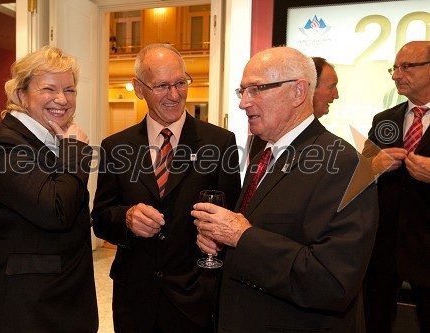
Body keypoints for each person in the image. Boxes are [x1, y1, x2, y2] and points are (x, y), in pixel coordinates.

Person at [191, 46, 379, 332]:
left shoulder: (343, 163)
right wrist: (223, 244)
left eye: (256, 89)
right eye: (241, 91)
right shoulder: (264, 155)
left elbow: (333, 281)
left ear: (298, 92)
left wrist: (242, 237)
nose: (243, 103)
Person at [91, 43, 241, 333]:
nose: (174, 95)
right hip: (135, 299)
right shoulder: (115, 146)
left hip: (195, 298)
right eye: (161, 85)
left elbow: (233, 216)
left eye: (180, 83)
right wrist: (126, 217)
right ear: (138, 88)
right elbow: (100, 219)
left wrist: (218, 241)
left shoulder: (220, 143)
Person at [0, 46, 98, 332]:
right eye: (49, 88)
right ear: (21, 95)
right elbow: (56, 211)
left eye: (70, 89)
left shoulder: (49, 139)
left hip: (62, 298)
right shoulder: (2, 144)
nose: (62, 99)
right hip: (29, 308)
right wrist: (75, 151)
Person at [362, 40, 430, 332]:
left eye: (407, 67)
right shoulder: (383, 120)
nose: (395, 75)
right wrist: (374, 166)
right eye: (395, 67)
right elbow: (360, 175)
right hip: (383, 251)